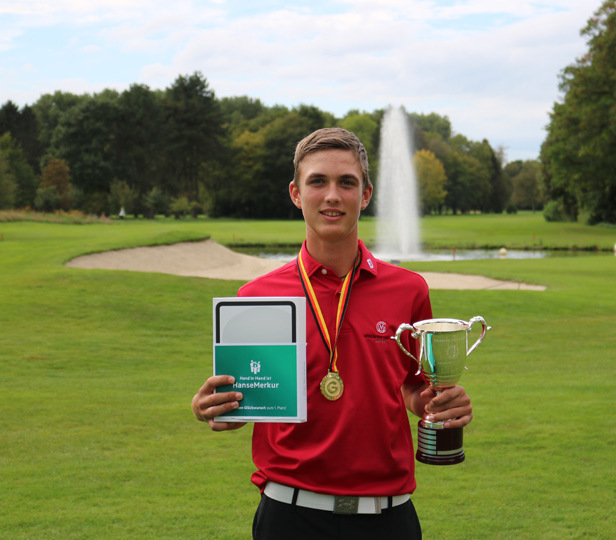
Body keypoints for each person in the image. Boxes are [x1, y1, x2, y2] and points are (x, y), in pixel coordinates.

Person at [192, 127, 473, 540]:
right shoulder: (256, 296)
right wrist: (220, 406)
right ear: (295, 193)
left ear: (365, 195)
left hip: (387, 516)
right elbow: (251, 395)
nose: (332, 196)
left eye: (347, 182)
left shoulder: (409, 291)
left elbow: (413, 388)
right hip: (290, 515)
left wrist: (438, 401)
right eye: (317, 181)